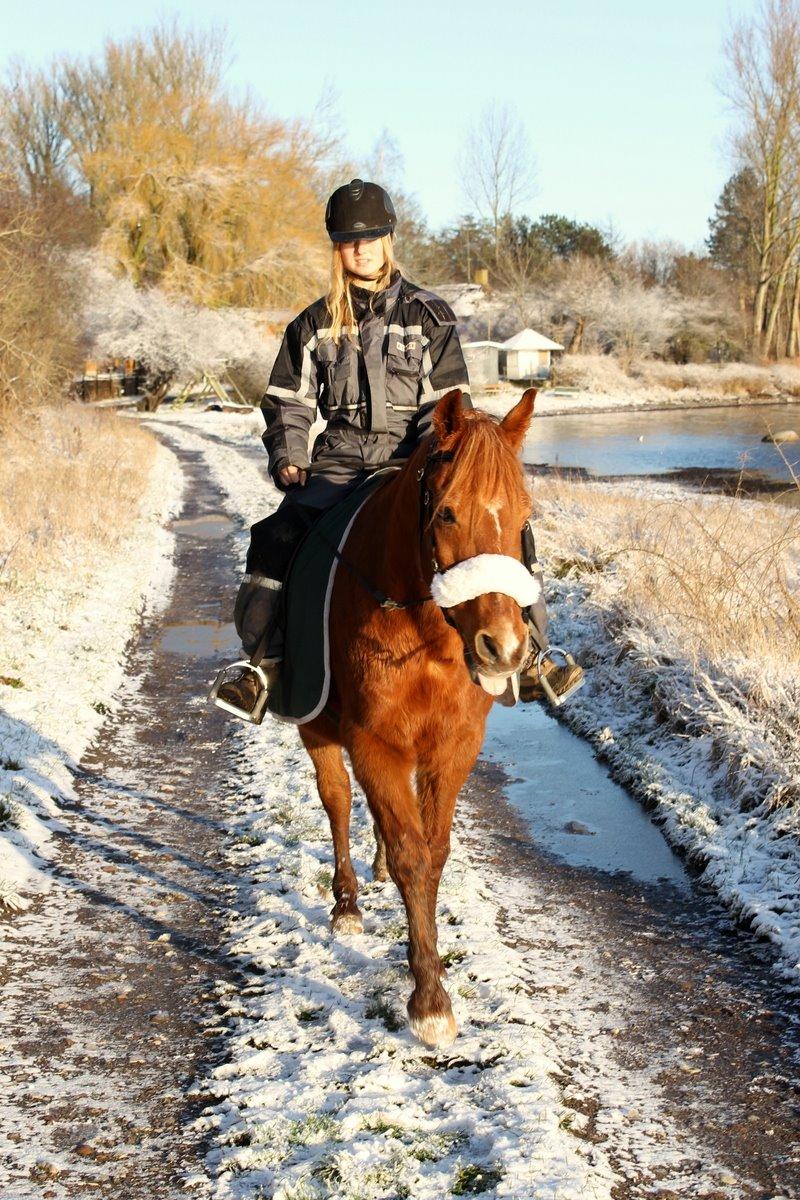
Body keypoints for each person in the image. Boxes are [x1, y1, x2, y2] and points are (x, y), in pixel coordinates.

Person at [215, 178, 583, 716]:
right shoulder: (312, 325)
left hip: (416, 461)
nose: (359, 249)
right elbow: (288, 401)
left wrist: (440, 458)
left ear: (388, 239)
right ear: (336, 247)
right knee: (277, 535)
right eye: (347, 240)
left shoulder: (430, 316)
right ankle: (263, 666)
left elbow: (450, 405)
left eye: (369, 237)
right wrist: (289, 455)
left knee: (508, 528)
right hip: (340, 464)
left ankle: (534, 658)